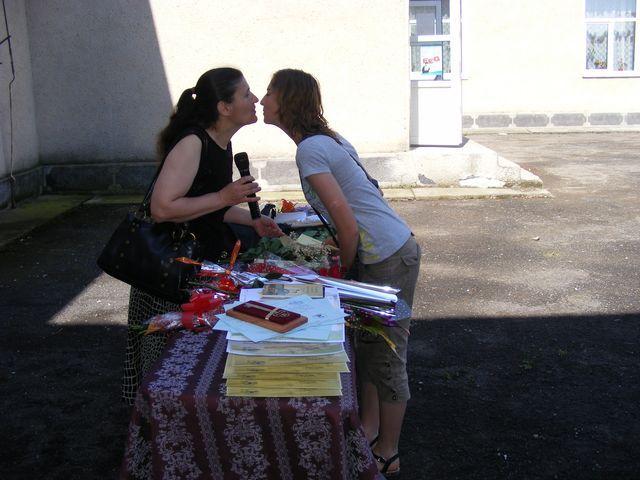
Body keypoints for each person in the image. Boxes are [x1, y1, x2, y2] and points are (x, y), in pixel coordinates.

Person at [260, 68, 421, 476]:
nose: (262, 101)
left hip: (387, 256)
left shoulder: (310, 149)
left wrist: (343, 268)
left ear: (287, 101)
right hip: (385, 249)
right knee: (366, 343)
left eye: (268, 93)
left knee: (386, 354)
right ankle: (367, 429)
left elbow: (348, 224)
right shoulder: (327, 139)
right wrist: (346, 250)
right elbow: (369, 192)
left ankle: (389, 451)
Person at [122, 67, 283, 404]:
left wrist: (250, 221)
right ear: (224, 107)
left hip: (196, 268)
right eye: (246, 94)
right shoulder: (192, 143)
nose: (255, 100)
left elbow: (205, 205)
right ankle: (159, 437)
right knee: (166, 367)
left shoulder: (221, 142)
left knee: (194, 365)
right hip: (168, 274)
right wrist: (226, 197)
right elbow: (162, 209)